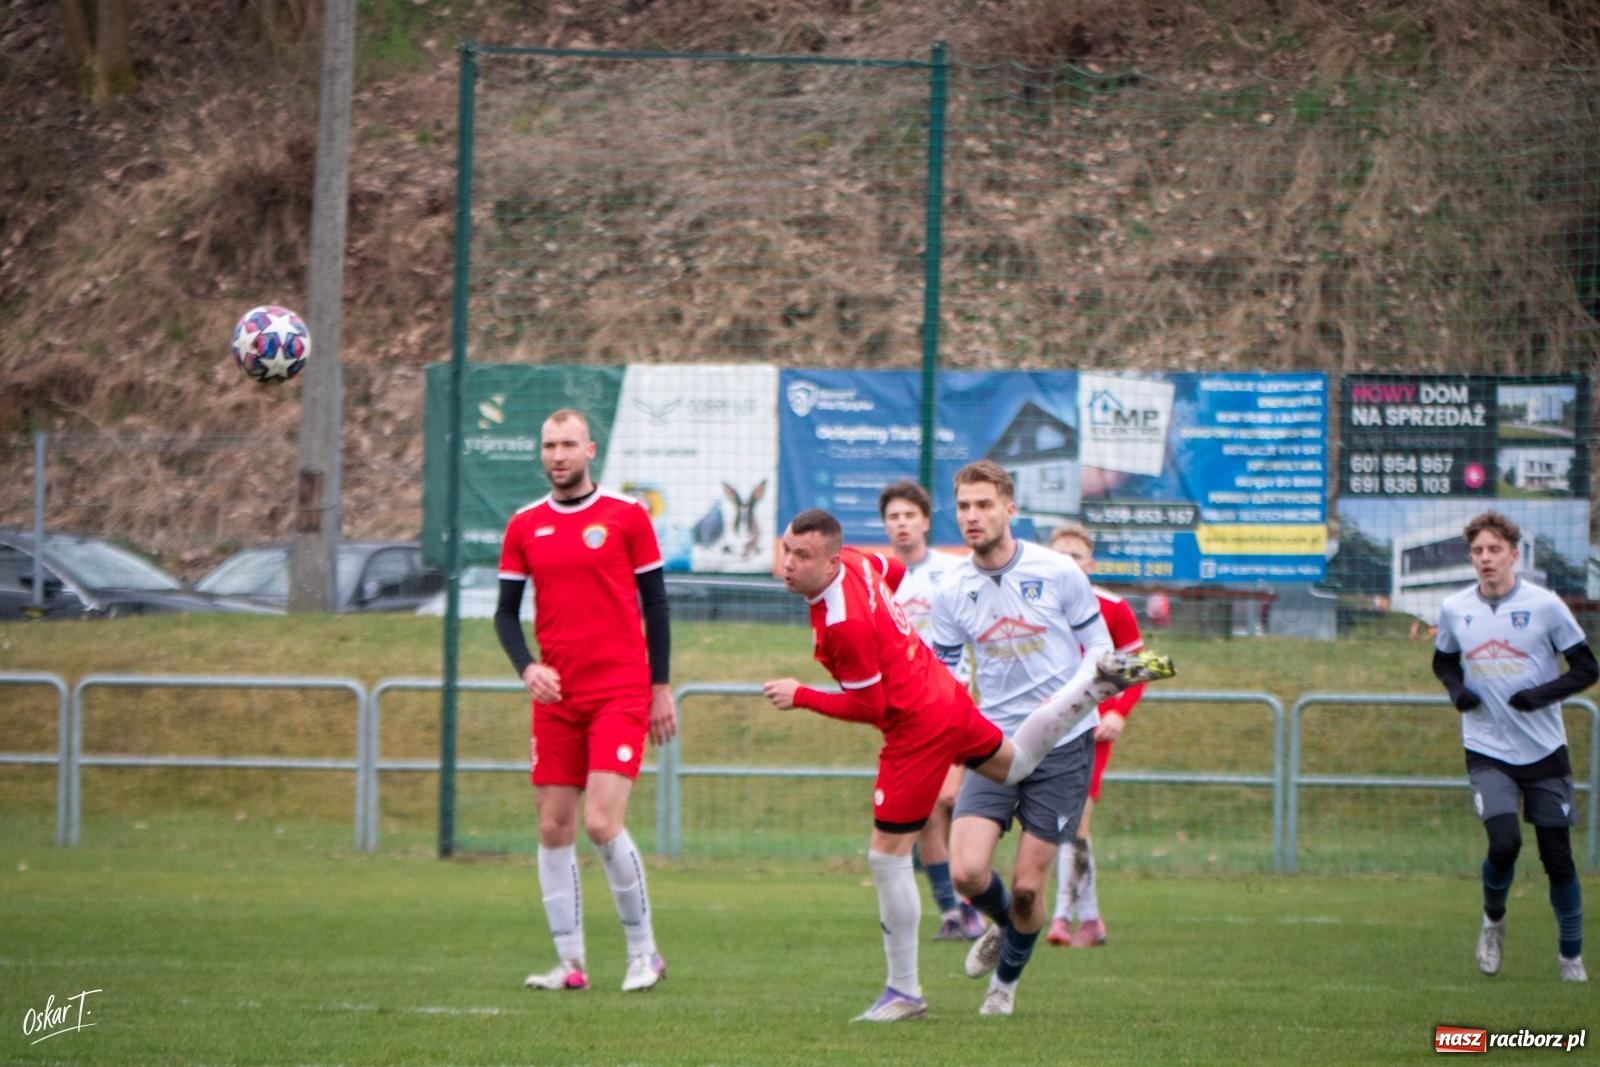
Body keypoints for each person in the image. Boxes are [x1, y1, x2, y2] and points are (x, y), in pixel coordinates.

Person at [762, 507, 1173, 1022]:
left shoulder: (843, 626)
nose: (787, 564)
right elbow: (891, 574)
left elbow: (872, 709)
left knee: (886, 859)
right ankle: (1094, 689)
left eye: (801, 556)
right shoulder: (860, 562)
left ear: (829, 561)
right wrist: (898, 640)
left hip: (916, 730)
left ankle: (904, 991)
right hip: (947, 697)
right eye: (785, 551)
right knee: (1016, 766)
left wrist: (801, 694)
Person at [495, 408, 679, 994]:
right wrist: (528, 668)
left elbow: (656, 604)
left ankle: (644, 953)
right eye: (548, 445)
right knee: (553, 829)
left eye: (568, 444)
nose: (557, 455)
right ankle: (571, 964)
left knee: (601, 823)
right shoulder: (524, 524)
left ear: (590, 449)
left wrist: (660, 686)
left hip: (620, 691)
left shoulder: (626, 517)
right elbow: (504, 613)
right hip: (556, 698)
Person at [929, 461, 1112, 1017]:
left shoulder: (1058, 571)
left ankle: (1004, 985)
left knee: (1030, 888)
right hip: (995, 746)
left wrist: (1066, 710)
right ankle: (1008, 924)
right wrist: (953, 747)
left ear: (1010, 508)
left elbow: (1102, 653)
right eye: (963, 506)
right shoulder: (952, 588)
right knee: (966, 871)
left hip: (1062, 747)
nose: (972, 516)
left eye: (983, 505)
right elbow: (947, 676)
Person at [1431, 510, 1596, 984]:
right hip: (1487, 748)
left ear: (1513, 555)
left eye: (1494, 550)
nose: (1485, 559)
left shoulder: (1545, 606)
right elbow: (1443, 662)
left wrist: (1539, 696)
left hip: (1545, 751)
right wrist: (1458, 692)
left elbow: (1587, 668)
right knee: (1504, 844)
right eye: (1478, 551)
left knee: (1557, 858)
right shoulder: (1455, 607)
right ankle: (1493, 922)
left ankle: (1570, 958)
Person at [878, 479, 985, 942]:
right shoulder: (876, 578)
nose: (901, 524)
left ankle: (971, 897)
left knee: (951, 798)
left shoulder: (952, 571)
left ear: (925, 520)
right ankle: (952, 911)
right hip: (905, 709)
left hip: (952, 702)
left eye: (909, 515)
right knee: (924, 811)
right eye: (893, 517)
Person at [1044, 520, 1147, 949]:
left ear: (1090, 562)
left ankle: (1061, 919)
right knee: (1057, 823)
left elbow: (1138, 669)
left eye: (1076, 556)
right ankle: (1091, 919)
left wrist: (1118, 713)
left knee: (1074, 819)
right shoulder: (1040, 608)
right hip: (1046, 729)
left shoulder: (1113, 607)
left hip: (1091, 732)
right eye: (1060, 555)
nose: (1068, 563)